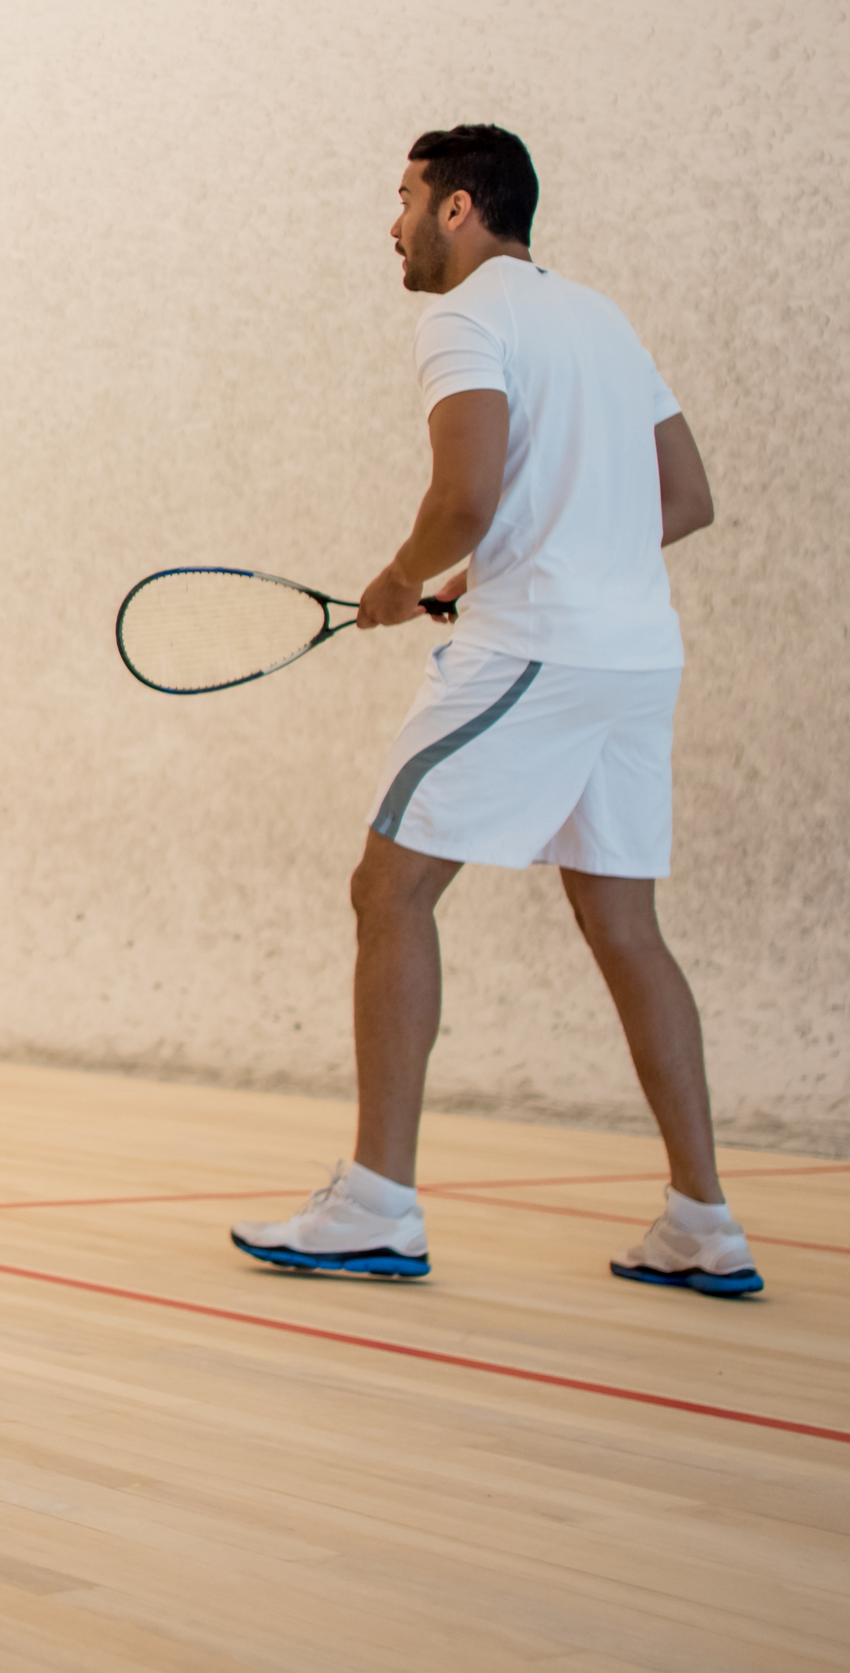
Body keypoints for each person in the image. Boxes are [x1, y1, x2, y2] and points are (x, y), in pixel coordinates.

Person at [229, 125, 758, 1296]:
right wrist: (499, 566)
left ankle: (375, 1204)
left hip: (533, 657)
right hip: (633, 663)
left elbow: (462, 493)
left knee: (388, 890)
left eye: (405, 197)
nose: (393, 224)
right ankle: (702, 1224)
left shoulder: (462, 318)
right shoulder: (602, 319)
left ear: (460, 209)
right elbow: (684, 496)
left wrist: (402, 582)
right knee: (627, 931)